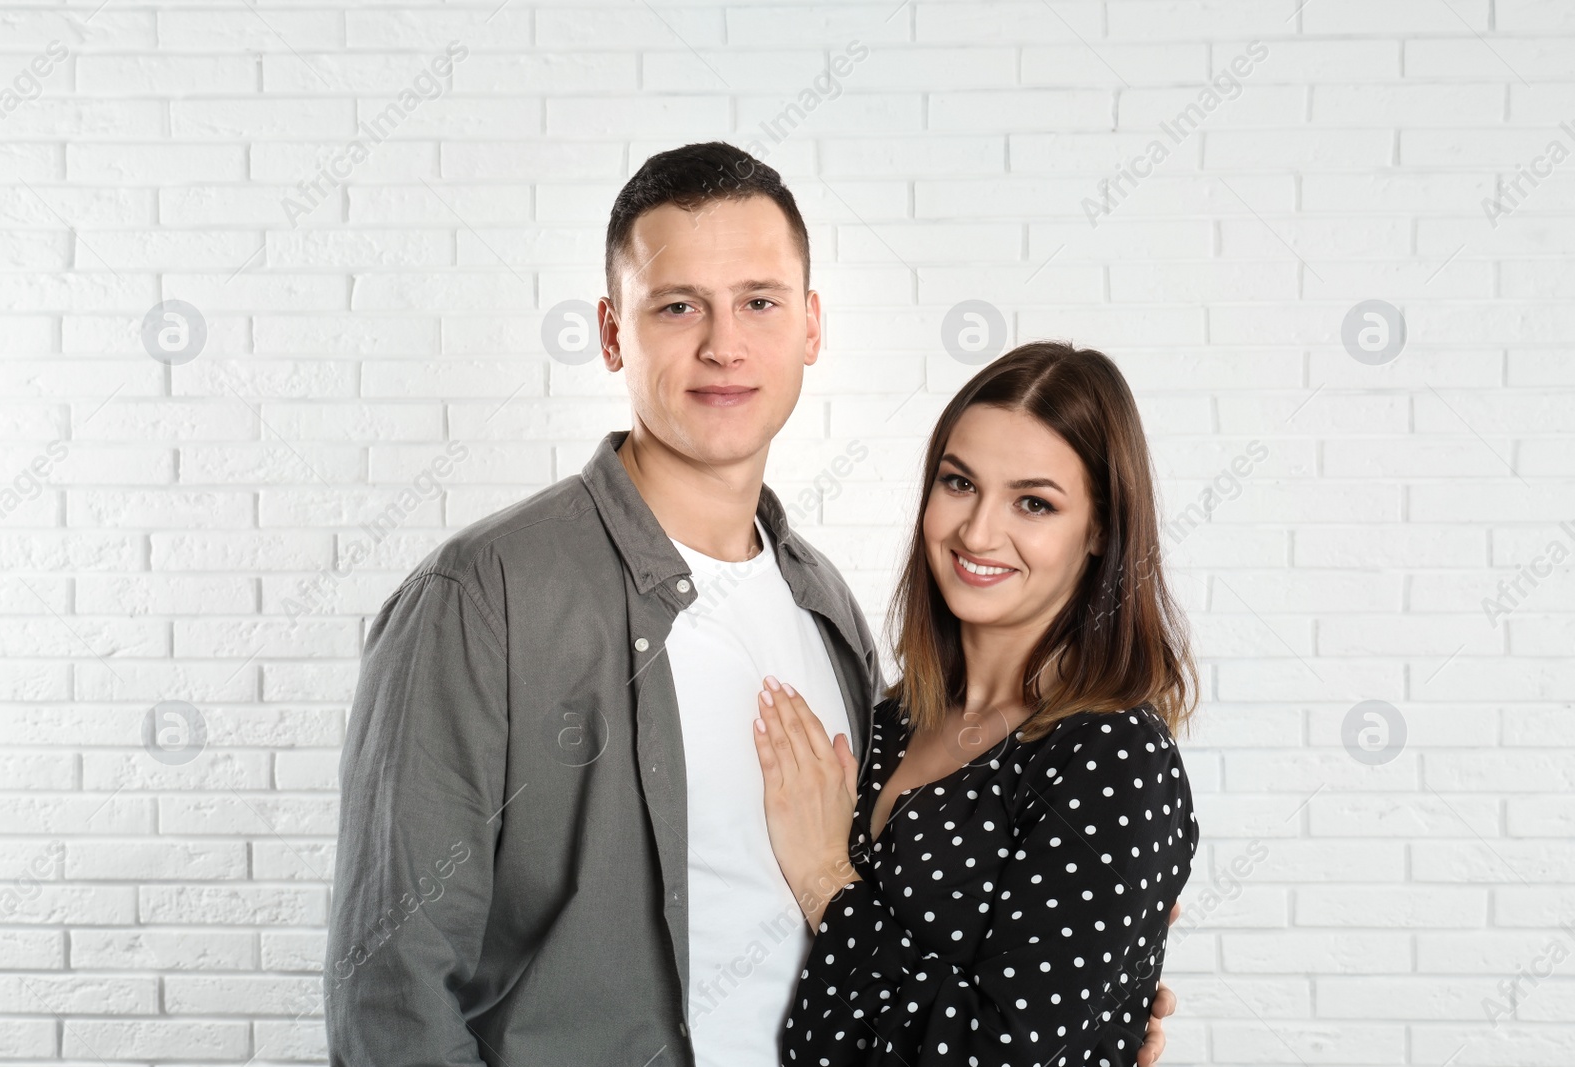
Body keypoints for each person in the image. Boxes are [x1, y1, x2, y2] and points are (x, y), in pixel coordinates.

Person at [324, 143, 1180, 1066]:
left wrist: (1091, 1012)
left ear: (810, 327)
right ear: (614, 332)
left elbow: (904, 922)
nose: (723, 344)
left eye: (759, 302)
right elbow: (393, 986)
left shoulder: (828, 617)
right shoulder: (481, 600)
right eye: (678, 304)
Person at [752, 341, 1200, 1066]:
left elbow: (997, 1053)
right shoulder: (889, 722)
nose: (978, 532)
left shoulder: (1112, 754)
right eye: (959, 483)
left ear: (1098, 531)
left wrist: (825, 882)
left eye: (1034, 502)